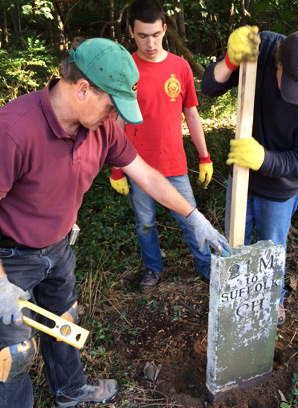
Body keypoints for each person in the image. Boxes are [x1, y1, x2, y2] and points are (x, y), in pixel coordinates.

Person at [0, 37, 231, 408]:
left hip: (60, 246)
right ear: (82, 87)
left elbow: (145, 172)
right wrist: (1, 286)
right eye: (113, 103)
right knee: (12, 351)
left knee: (64, 321)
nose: (116, 116)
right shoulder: (14, 129)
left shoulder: (102, 127)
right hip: (11, 258)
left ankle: (70, 389)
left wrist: (194, 217)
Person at [201, 26, 298, 325]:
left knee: (271, 252)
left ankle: (271, 304)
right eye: (288, 82)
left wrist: (263, 158)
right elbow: (209, 88)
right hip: (241, 179)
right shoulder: (261, 50)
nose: (295, 97)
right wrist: (229, 61)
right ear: (278, 62)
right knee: (231, 250)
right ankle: (232, 302)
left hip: (280, 190)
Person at [109, 0, 215, 290]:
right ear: (131, 31)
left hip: (174, 163)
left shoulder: (180, 67)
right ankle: (153, 269)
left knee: (191, 219)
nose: (150, 43)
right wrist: (117, 167)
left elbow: (191, 113)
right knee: (145, 223)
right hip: (137, 165)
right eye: (143, 36)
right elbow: (117, 119)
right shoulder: (125, 69)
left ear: (165, 29)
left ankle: (206, 267)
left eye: (156, 35)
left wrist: (204, 156)